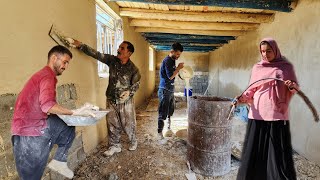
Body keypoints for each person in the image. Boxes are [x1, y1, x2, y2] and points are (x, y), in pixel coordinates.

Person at [11, 45, 92, 180]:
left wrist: (71, 114)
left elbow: (48, 108)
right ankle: (59, 161)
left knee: (67, 125)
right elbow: (48, 106)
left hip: (30, 129)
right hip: (28, 133)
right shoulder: (47, 76)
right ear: (54, 58)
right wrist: (74, 113)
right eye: (65, 62)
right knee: (30, 177)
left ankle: (59, 161)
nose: (66, 66)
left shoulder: (44, 75)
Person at [235, 38, 299, 180]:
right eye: (263, 51)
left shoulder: (285, 67)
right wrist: (241, 98)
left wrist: (290, 85)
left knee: (275, 151)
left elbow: (295, 88)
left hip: (276, 114)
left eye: (268, 51)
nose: (265, 54)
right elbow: (251, 90)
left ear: (275, 50)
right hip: (257, 113)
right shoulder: (258, 68)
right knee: (254, 149)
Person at [70, 39, 141, 156]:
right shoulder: (112, 60)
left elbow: (137, 84)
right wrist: (80, 45)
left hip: (125, 102)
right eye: (119, 47)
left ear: (129, 53)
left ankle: (133, 141)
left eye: (122, 48)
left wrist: (129, 92)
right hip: (111, 98)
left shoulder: (133, 69)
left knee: (129, 123)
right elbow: (97, 54)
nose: (118, 50)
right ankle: (114, 146)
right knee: (112, 123)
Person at [157, 42, 184, 139]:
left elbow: (174, 73)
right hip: (164, 89)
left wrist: (180, 73)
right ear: (172, 51)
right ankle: (159, 133)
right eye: (177, 54)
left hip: (170, 89)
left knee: (170, 110)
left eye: (179, 55)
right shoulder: (167, 61)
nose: (178, 56)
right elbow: (170, 76)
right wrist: (178, 68)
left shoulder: (172, 60)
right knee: (163, 111)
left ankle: (168, 128)